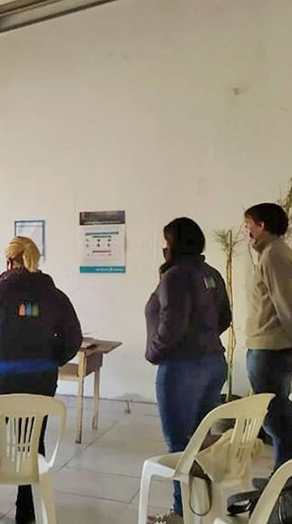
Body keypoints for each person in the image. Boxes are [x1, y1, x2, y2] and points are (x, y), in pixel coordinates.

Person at [0, 237, 82, 524]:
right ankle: (26, 510)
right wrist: (52, 361)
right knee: (32, 441)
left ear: (10, 261)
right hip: (40, 379)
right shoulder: (55, 296)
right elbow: (73, 338)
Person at [144, 217, 231, 524]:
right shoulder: (211, 273)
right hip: (213, 363)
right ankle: (201, 509)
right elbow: (225, 317)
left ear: (176, 243)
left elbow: (171, 324)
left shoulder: (176, 276)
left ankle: (181, 514)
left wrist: (154, 351)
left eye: (166, 239)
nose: (163, 245)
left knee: (180, 444)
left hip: (181, 368)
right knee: (202, 442)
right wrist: (204, 338)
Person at [244, 202, 292, 472]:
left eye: (249, 224)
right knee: (277, 416)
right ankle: (281, 479)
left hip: (270, 350)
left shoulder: (274, 254)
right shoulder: (272, 253)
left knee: (276, 419)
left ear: (262, 225)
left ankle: (283, 483)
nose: (246, 230)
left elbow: (286, 305)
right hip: (269, 348)